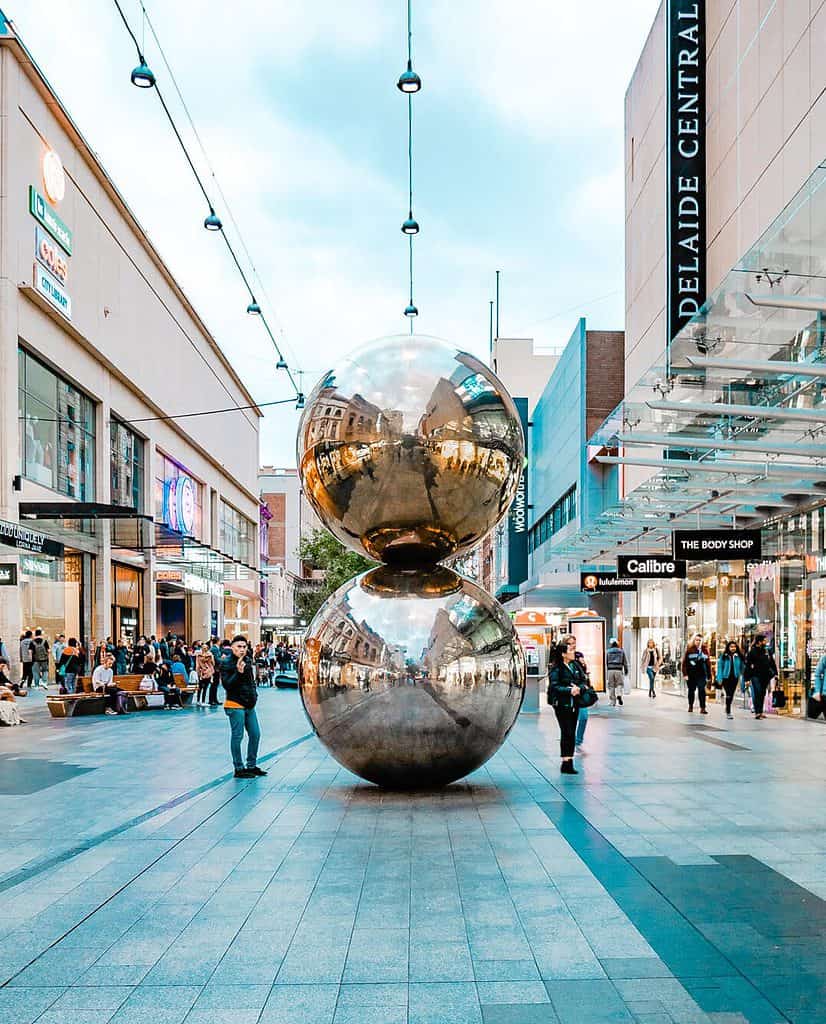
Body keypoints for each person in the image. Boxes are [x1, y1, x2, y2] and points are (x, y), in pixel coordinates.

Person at [220, 635, 266, 778]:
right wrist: (238, 673)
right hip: (235, 704)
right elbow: (227, 685)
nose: (242, 649)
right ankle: (239, 768)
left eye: (244, 647)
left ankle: (251, 765)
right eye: (239, 647)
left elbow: (251, 682)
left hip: (249, 704)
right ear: (232, 648)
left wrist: (254, 696)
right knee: (237, 736)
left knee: (255, 734)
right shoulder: (226, 663)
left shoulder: (247, 661)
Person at [548, 640, 584, 774]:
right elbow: (554, 686)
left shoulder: (575, 665)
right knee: (567, 731)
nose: (573, 653)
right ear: (563, 654)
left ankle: (569, 760)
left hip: (574, 703)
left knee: (571, 732)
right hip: (562, 704)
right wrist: (569, 690)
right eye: (570, 650)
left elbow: (582, 680)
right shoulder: (557, 668)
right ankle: (566, 761)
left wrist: (579, 688)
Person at [745, 633, 778, 720]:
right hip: (755, 675)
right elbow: (748, 665)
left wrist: (775, 673)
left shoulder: (767, 651)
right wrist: (747, 678)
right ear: (759, 642)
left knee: (762, 693)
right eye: (764, 640)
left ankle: (760, 711)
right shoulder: (752, 651)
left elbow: (772, 663)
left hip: (765, 676)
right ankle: (757, 712)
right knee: (757, 692)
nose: (766, 642)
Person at [681, 633, 711, 714]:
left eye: (699, 640)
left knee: (702, 690)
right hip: (691, 675)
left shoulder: (705, 650)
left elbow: (708, 663)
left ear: (702, 641)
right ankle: (690, 705)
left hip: (701, 674)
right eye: (696, 640)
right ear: (694, 640)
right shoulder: (690, 650)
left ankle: (703, 708)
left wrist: (709, 676)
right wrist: (685, 674)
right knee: (691, 690)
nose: (698, 642)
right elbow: (684, 663)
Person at [716, 640, 744, 720]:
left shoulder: (739, 656)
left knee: (731, 694)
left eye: (734, 647)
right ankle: (728, 711)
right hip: (726, 677)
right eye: (731, 647)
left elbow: (742, 667)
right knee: (728, 694)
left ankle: (727, 707)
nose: (733, 648)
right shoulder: (724, 656)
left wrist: (744, 677)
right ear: (728, 647)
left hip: (734, 677)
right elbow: (720, 667)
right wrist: (719, 678)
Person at [606, 637, 628, 707]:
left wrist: (608, 669)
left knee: (611, 686)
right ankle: (619, 694)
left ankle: (613, 701)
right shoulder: (621, 651)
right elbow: (625, 662)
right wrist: (626, 669)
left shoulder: (608, 651)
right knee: (619, 684)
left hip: (610, 670)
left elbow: (606, 661)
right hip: (618, 670)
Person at [208, 637, 223, 706]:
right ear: (217, 641)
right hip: (215, 668)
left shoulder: (215, 648)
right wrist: (222, 659)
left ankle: (214, 699)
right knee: (214, 684)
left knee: (215, 684)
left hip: (216, 668)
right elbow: (217, 659)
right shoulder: (215, 649)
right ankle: (212, 700)